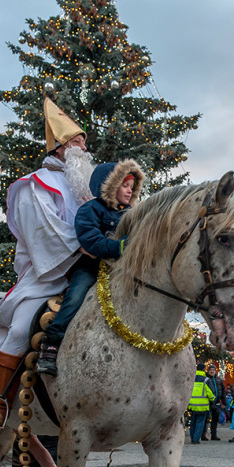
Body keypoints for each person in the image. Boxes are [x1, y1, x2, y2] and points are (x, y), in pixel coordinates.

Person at [0, 97, 94, 430]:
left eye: (83, 140)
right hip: (50, 273)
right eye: (76, 141)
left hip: (93, 266)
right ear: (58, 148)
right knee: (20, 325)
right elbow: (44, 232)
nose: (83, 147)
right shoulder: (34, 184)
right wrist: (84, 249)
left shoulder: (85, 187)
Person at [37, 159, 145, 375]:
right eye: (124, 185)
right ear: (110, 185)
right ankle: (51, 343)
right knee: (75, 296)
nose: (129, 191)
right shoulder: (91, 209)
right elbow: (90, 239)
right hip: (91, 268)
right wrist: (120, 247)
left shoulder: (133, 214)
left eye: (131, 187)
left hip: (121, 271)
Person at [187, 364, 215, 444]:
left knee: (192, 422)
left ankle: (192, 438)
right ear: (204, 369)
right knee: (200, 422)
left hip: (192, 405)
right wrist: (213, 400)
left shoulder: (192, 379)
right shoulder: (206, 380)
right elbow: (210, 393)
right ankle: (196, 439)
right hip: (202, 406)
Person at [204, 363, 224, 440]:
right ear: (208, 371)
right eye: (210, 370)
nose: (212, 371)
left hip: (217, 402)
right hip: (207, 402)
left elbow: (222, 391)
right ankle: (203, 434)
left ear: (215, 371)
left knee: (215, 419)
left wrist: (224, 402)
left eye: (213, 370)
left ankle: (213, 435)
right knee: (205, 419)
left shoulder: (218, 380)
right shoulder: (206, 379)